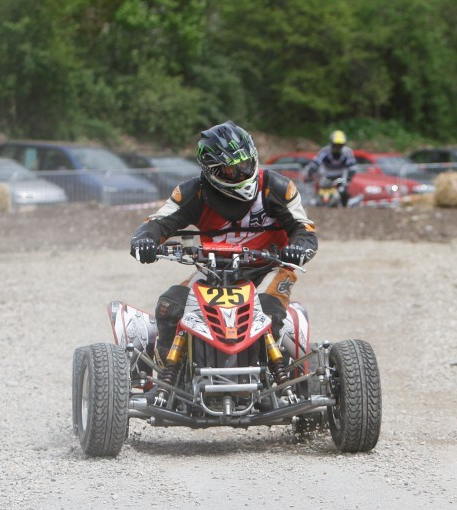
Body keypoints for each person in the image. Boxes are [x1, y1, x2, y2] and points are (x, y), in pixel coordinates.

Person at [129, 120, 318, 360]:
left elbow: (303, 228)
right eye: (231, 170)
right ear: (212, 171)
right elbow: (157, 223)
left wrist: (299, 248)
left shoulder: (276, 188)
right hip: (215, 268)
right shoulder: (193, 193)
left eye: (245, 164)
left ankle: (273, 377)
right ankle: (168, 377)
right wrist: (144, 240)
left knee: (266, 311)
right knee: (170, 307)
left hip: (270, 267)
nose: (241, 173)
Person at [306, 130, 358, 206]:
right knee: (316, 188)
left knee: (343, 190)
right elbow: (315, 162)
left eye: (340, 145)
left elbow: (352, 168)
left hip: (340, 178)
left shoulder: (347, 152)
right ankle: (314, 203)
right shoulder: (325, 151)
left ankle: (345, 206)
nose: (337, 147)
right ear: (331, 143)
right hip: (325, 176)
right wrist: (311, 171)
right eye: (335, 145)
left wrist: (348, 178)